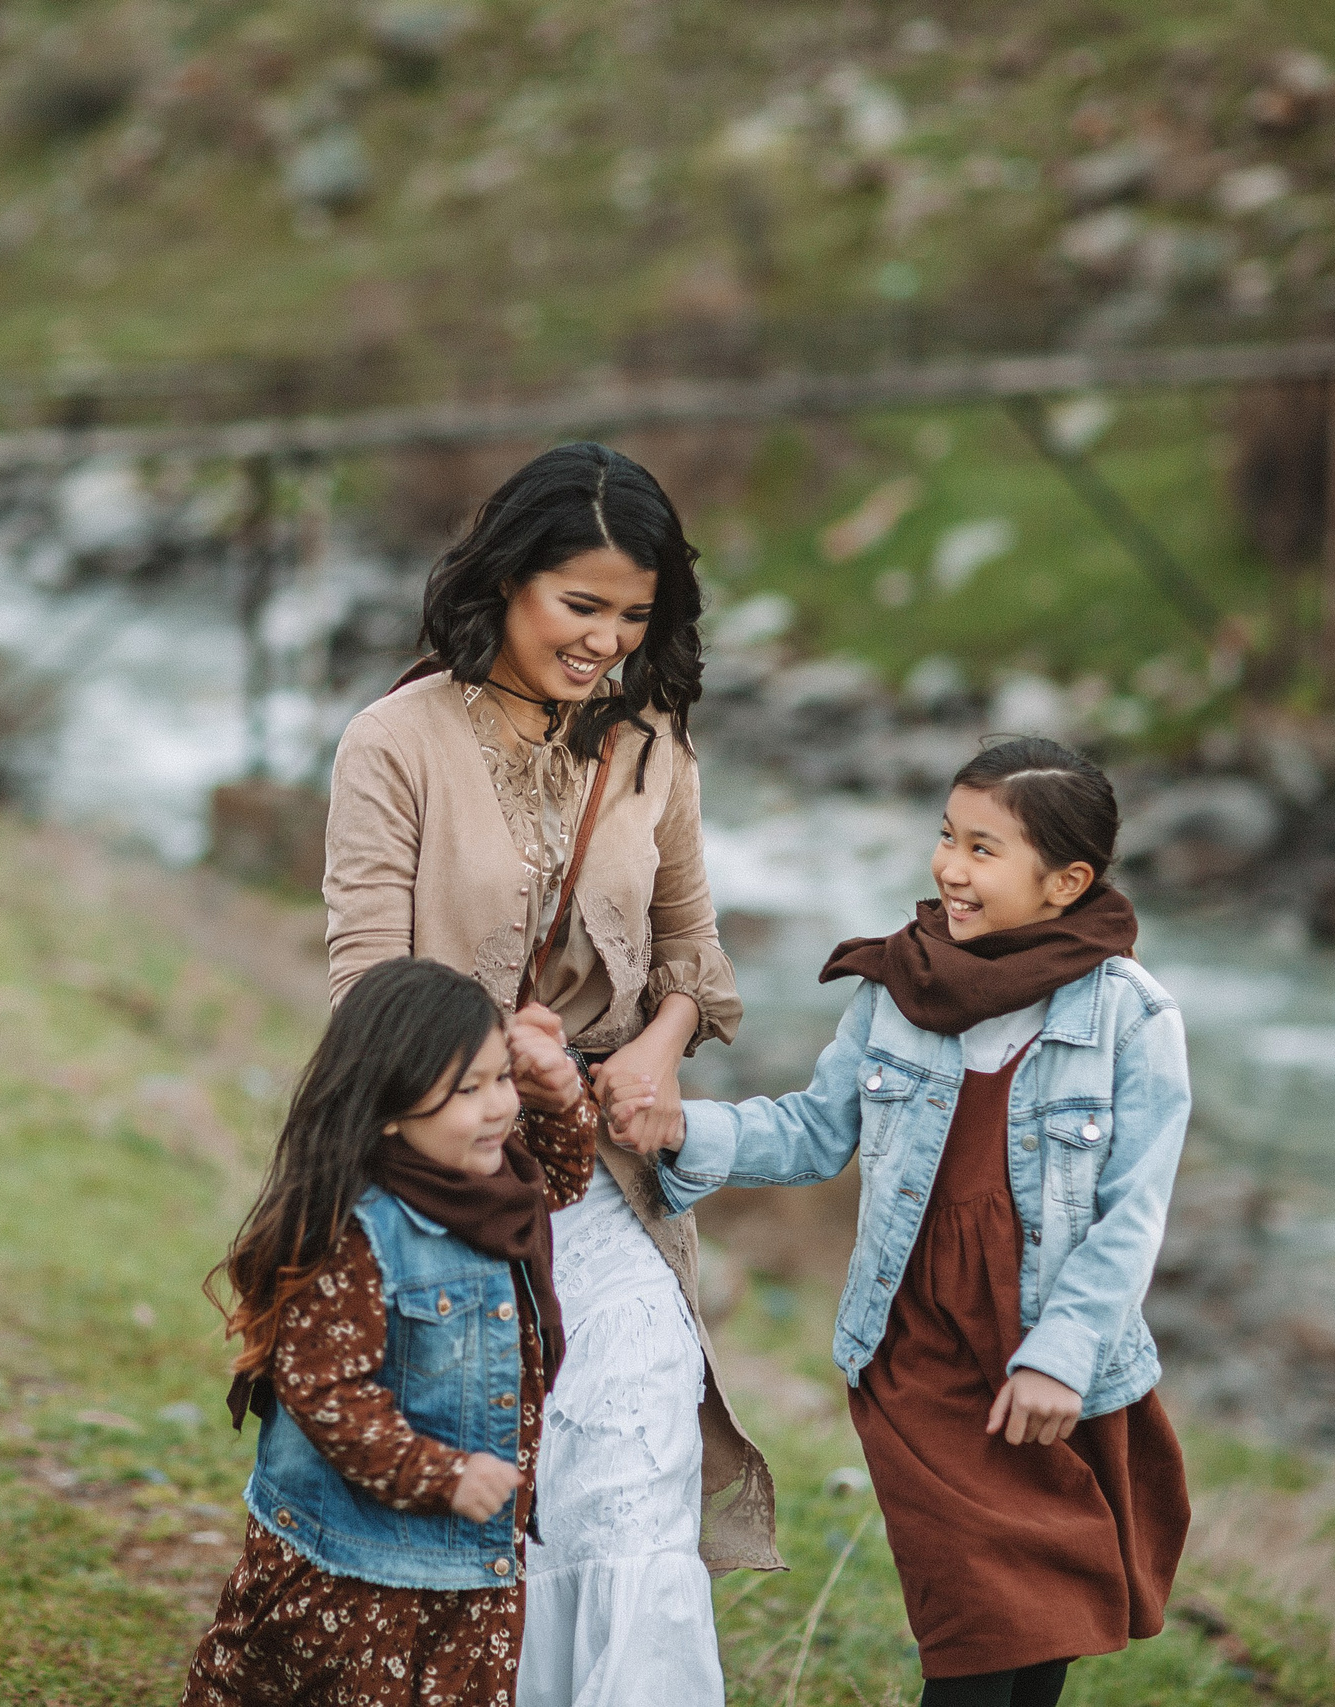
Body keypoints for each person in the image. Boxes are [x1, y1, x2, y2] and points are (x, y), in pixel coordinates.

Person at [323, 442, 779, 1707]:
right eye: (580, 606)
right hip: (439, 1181)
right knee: (481, 1506)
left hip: (611, 1188)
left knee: (629, 1480)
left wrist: (654, 1043)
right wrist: (496, 1059)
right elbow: (363, 980)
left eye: (634, 618)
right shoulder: (392, 741)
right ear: (506, 580)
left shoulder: (651, 744)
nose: (605, 644)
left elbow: (695, 947)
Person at [609, 737, 1193, 1707]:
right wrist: (683, 1129)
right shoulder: (900, 986)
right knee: (969, 1633)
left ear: (1066, 882)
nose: (949, 869)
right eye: (945, 837)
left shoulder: (1130, 1018)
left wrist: (1064, 1354)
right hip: (917, 1353)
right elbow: (810, 1130)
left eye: (982, 849)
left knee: (1037, 1622)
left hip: (1040, 1355)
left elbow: (1133, 1212)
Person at [182, 957, 601, 1707]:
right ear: (389, 1108)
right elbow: (328, 1394)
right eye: (466, 1091)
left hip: (466, 1567)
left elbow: (562, 1176)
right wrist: (445, 1476)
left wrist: (563, 1090)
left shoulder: (490, 1187)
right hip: (354, 1563)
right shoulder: (358, 1228)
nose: (499, 1106)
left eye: (500, 1078)